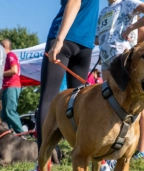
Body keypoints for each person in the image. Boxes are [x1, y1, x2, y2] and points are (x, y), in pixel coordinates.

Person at [34, 0, 99, 170]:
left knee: (48, 97)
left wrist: (59, 39)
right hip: (85, 43)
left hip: (65, 38)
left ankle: (43, 164)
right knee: (81, 103)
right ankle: (88, 157)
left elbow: (75, 2)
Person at [95, 0, 144, 165]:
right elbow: (98, 38)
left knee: (137, 106)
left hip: (124, 58)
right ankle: (112, 151)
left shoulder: (126, 3)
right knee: (111, 104)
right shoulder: (103, 11)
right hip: (106, 60)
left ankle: (143, 151)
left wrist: (131, 29)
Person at [0, 39, 24, 134]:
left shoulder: (10, 55)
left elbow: (14, 70)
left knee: (9, 111)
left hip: (12, 85)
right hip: (6, 87)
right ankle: (6, 134)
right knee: (4, 114)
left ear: (5, 46)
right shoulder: (6, 57)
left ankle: (21, 133)